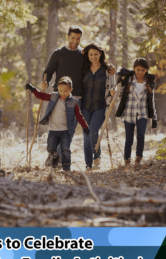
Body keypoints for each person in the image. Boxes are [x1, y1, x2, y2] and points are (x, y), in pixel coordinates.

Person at [41, 25, 115, 166]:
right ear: (68, 36)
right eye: (73, 38)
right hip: (59, 96)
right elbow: (48, 71)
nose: (75, 41)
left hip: (77, 98)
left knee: (70, 129)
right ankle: (54, 156)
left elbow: (97, 64)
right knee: (57, 127)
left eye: (78, 38)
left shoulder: (83, 54)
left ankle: (61, 157)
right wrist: (45, 81)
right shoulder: (58, 53)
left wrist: (110, 68)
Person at [26, 77, 90, 171]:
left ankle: (66, 168)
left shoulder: (73, 102)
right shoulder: (54, 96)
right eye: (60, 90)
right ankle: (55, 157)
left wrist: (85, 126)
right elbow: (41, 96)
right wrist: (32, 89)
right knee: (50, 148)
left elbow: (79, 116)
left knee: (65, 149)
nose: (63, 93)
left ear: (70, 90)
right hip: (53, 130)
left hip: (65, 131)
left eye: (65, 91)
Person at [115, 58, 157, 167]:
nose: (140, 72)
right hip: (129, 113)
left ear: (147, 70)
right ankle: (127, 160)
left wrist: (154, 117)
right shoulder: (128, 80)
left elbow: (151, 100)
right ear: (134, 69)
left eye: (143, 70)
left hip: (142, 113)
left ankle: (138, 158)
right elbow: (120, 95)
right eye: (138, 70)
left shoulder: (149, 82)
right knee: (129, 138)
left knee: (141, 136)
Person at [81, 43, 116, 170]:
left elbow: (113, 86)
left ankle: (97, 157)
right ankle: (88, 164)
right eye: (90, 54)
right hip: (84, 107)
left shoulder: (108, 70)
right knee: (86, 135)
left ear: (100, 54)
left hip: (100, 107)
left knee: (92, 132)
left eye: (96, 54)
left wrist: (113, 91)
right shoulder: (83, 68)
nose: (93, 56)